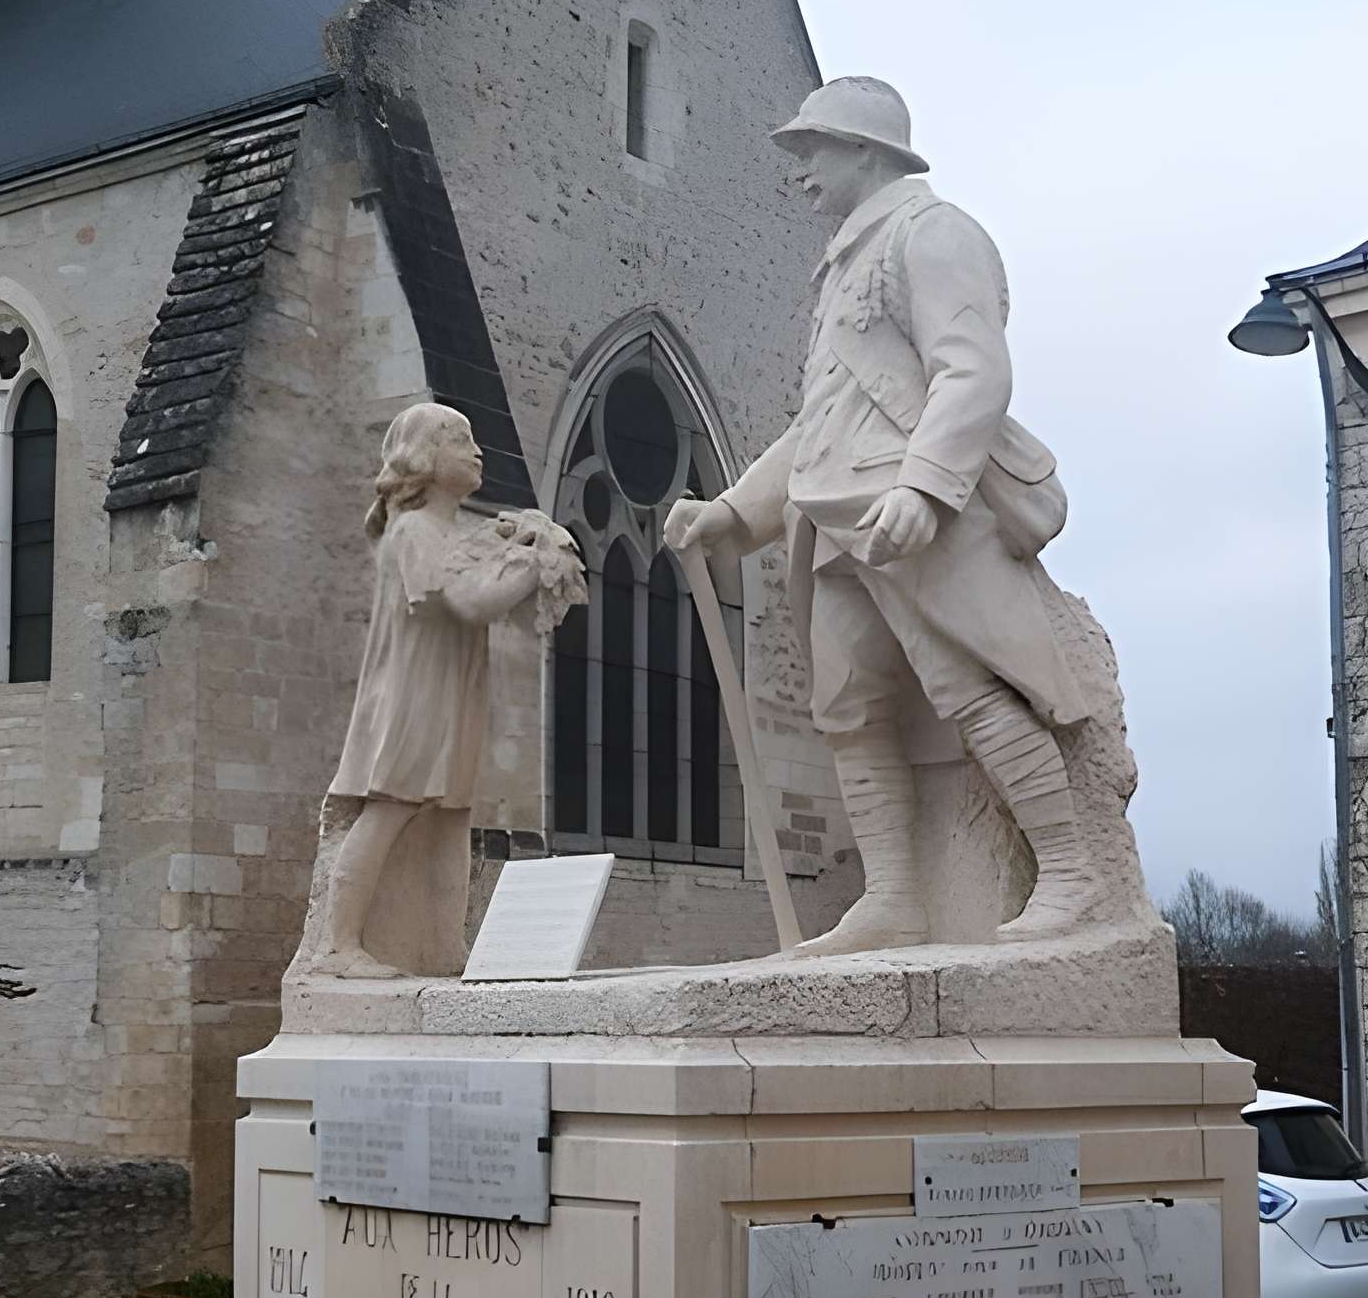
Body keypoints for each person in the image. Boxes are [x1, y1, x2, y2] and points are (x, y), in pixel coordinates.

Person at [665, 77, 1098, 951]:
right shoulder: (842, 267)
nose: (799, 173)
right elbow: (821, 423)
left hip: (907, 516)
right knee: (848, 710)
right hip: (834, 521)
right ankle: (895, 899)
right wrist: (733, 513)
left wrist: (925, 489)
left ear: (865, 151)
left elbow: (973, 371)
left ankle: (1074, 872)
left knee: (968, 685)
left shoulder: (931, 234)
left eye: (811, 151)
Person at [321, 403, 581, 977]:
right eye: (462, 440)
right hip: (413, 697)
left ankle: (443, 950)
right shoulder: (414, 530)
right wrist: (531, 565)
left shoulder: (449, 532)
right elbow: (468, 602)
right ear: (427, 457)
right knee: (389, 810)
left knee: (450, 824)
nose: (478, 450)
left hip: (450, 695)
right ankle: (337, 946)